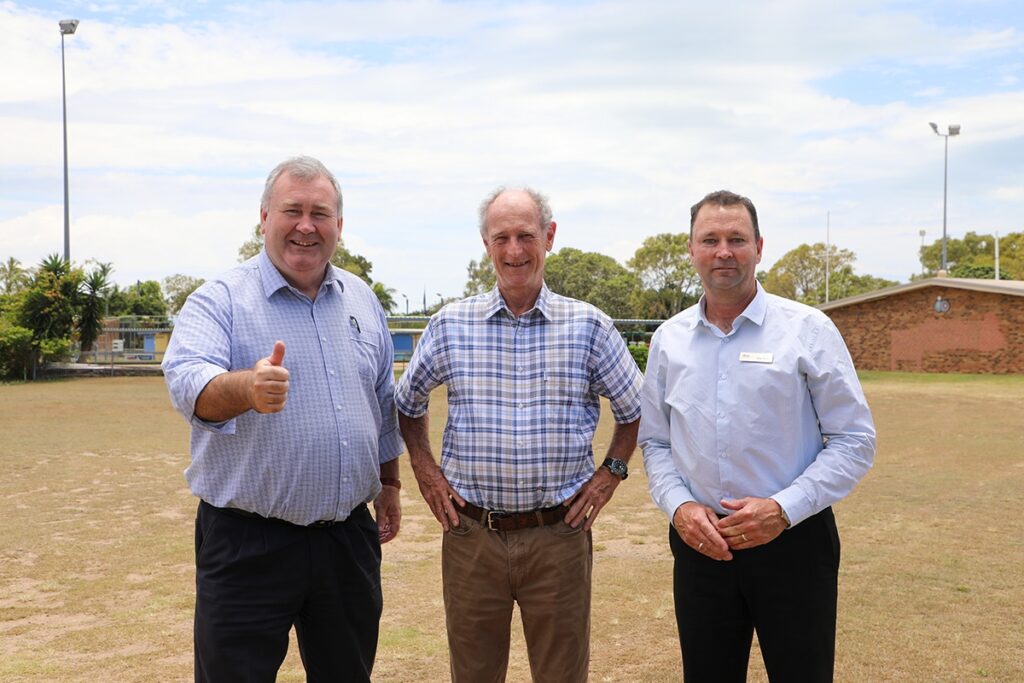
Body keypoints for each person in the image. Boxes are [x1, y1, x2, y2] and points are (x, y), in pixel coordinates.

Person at [162, 156, 403, 682]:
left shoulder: (362, 299)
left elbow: (382, 400)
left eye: (321, 213)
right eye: (292, 210)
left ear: (339, 224)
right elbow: (187, 383)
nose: (306, 225)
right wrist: (246, 387)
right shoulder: (221, 299)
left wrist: (390, 483)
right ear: (264, 216)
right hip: (249, 544)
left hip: (346, 543)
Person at [395, 187, 643, 682]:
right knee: (474, 673)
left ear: (548, 237)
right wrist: (425, 470)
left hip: (558, 535)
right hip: (471, 535)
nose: (514, 251)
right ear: (486, 244)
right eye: (501, 237)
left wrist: (610, 472)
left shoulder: (588, 326)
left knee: (561, 674)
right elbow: (407, 402)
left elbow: (635, 408)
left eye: (525, 235)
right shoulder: (451, 324)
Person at [638, 190, 876, 682]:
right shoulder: (670, 340)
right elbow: (656, 442)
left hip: (793, 543)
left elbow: (854, 440)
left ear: (759, 246)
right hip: (702, 545)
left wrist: (782, 509)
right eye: (710, 239)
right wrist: (679, 507)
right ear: (691, 250)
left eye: (736, 239)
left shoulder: (808, 330)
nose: (723, 251)